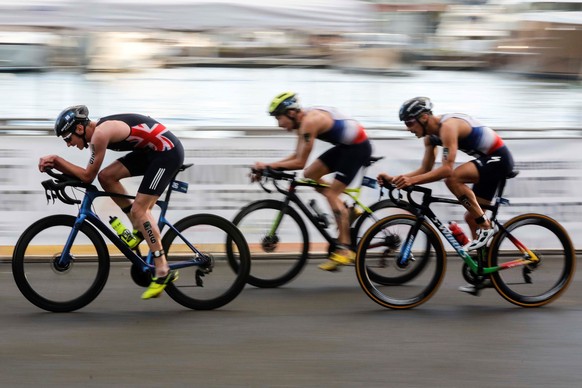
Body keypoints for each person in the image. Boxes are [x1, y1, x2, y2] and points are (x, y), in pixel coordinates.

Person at [38, 105, 185, 299]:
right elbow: (93, 176)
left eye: (68, 138)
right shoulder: (99, 132)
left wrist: (57, 160)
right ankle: (137, 227)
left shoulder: (100, 134)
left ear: (79, 129)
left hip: (167, 152)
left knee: (140, 210)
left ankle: (162, 270)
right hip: (150, 151)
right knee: (106, 177)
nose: (68, 144)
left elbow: (87, 176)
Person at [377, 97, 514, 293]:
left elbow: (447, 170)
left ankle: (486, 226)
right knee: (471, 217)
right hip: (487, 161)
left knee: (454, 178)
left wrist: (413, 181)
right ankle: (485, 273)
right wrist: (395, 179)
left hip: (499, 159)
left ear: (424, 118)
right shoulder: (430, 138)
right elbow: (425, 168)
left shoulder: (447, 127)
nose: (408, 128)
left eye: (409, 123)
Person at [254, 92, 372, 271]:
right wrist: (270, 167)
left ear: (291, 113)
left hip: (357, 148)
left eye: (279, 118)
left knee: (332, 194)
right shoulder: (302, 123)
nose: (279, 124)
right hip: (346, 147)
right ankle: (345, 210)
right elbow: (297, 156)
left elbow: (299, 162)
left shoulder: (309, 122)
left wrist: (268, 166)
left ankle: (345, 249)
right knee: (310, 174)